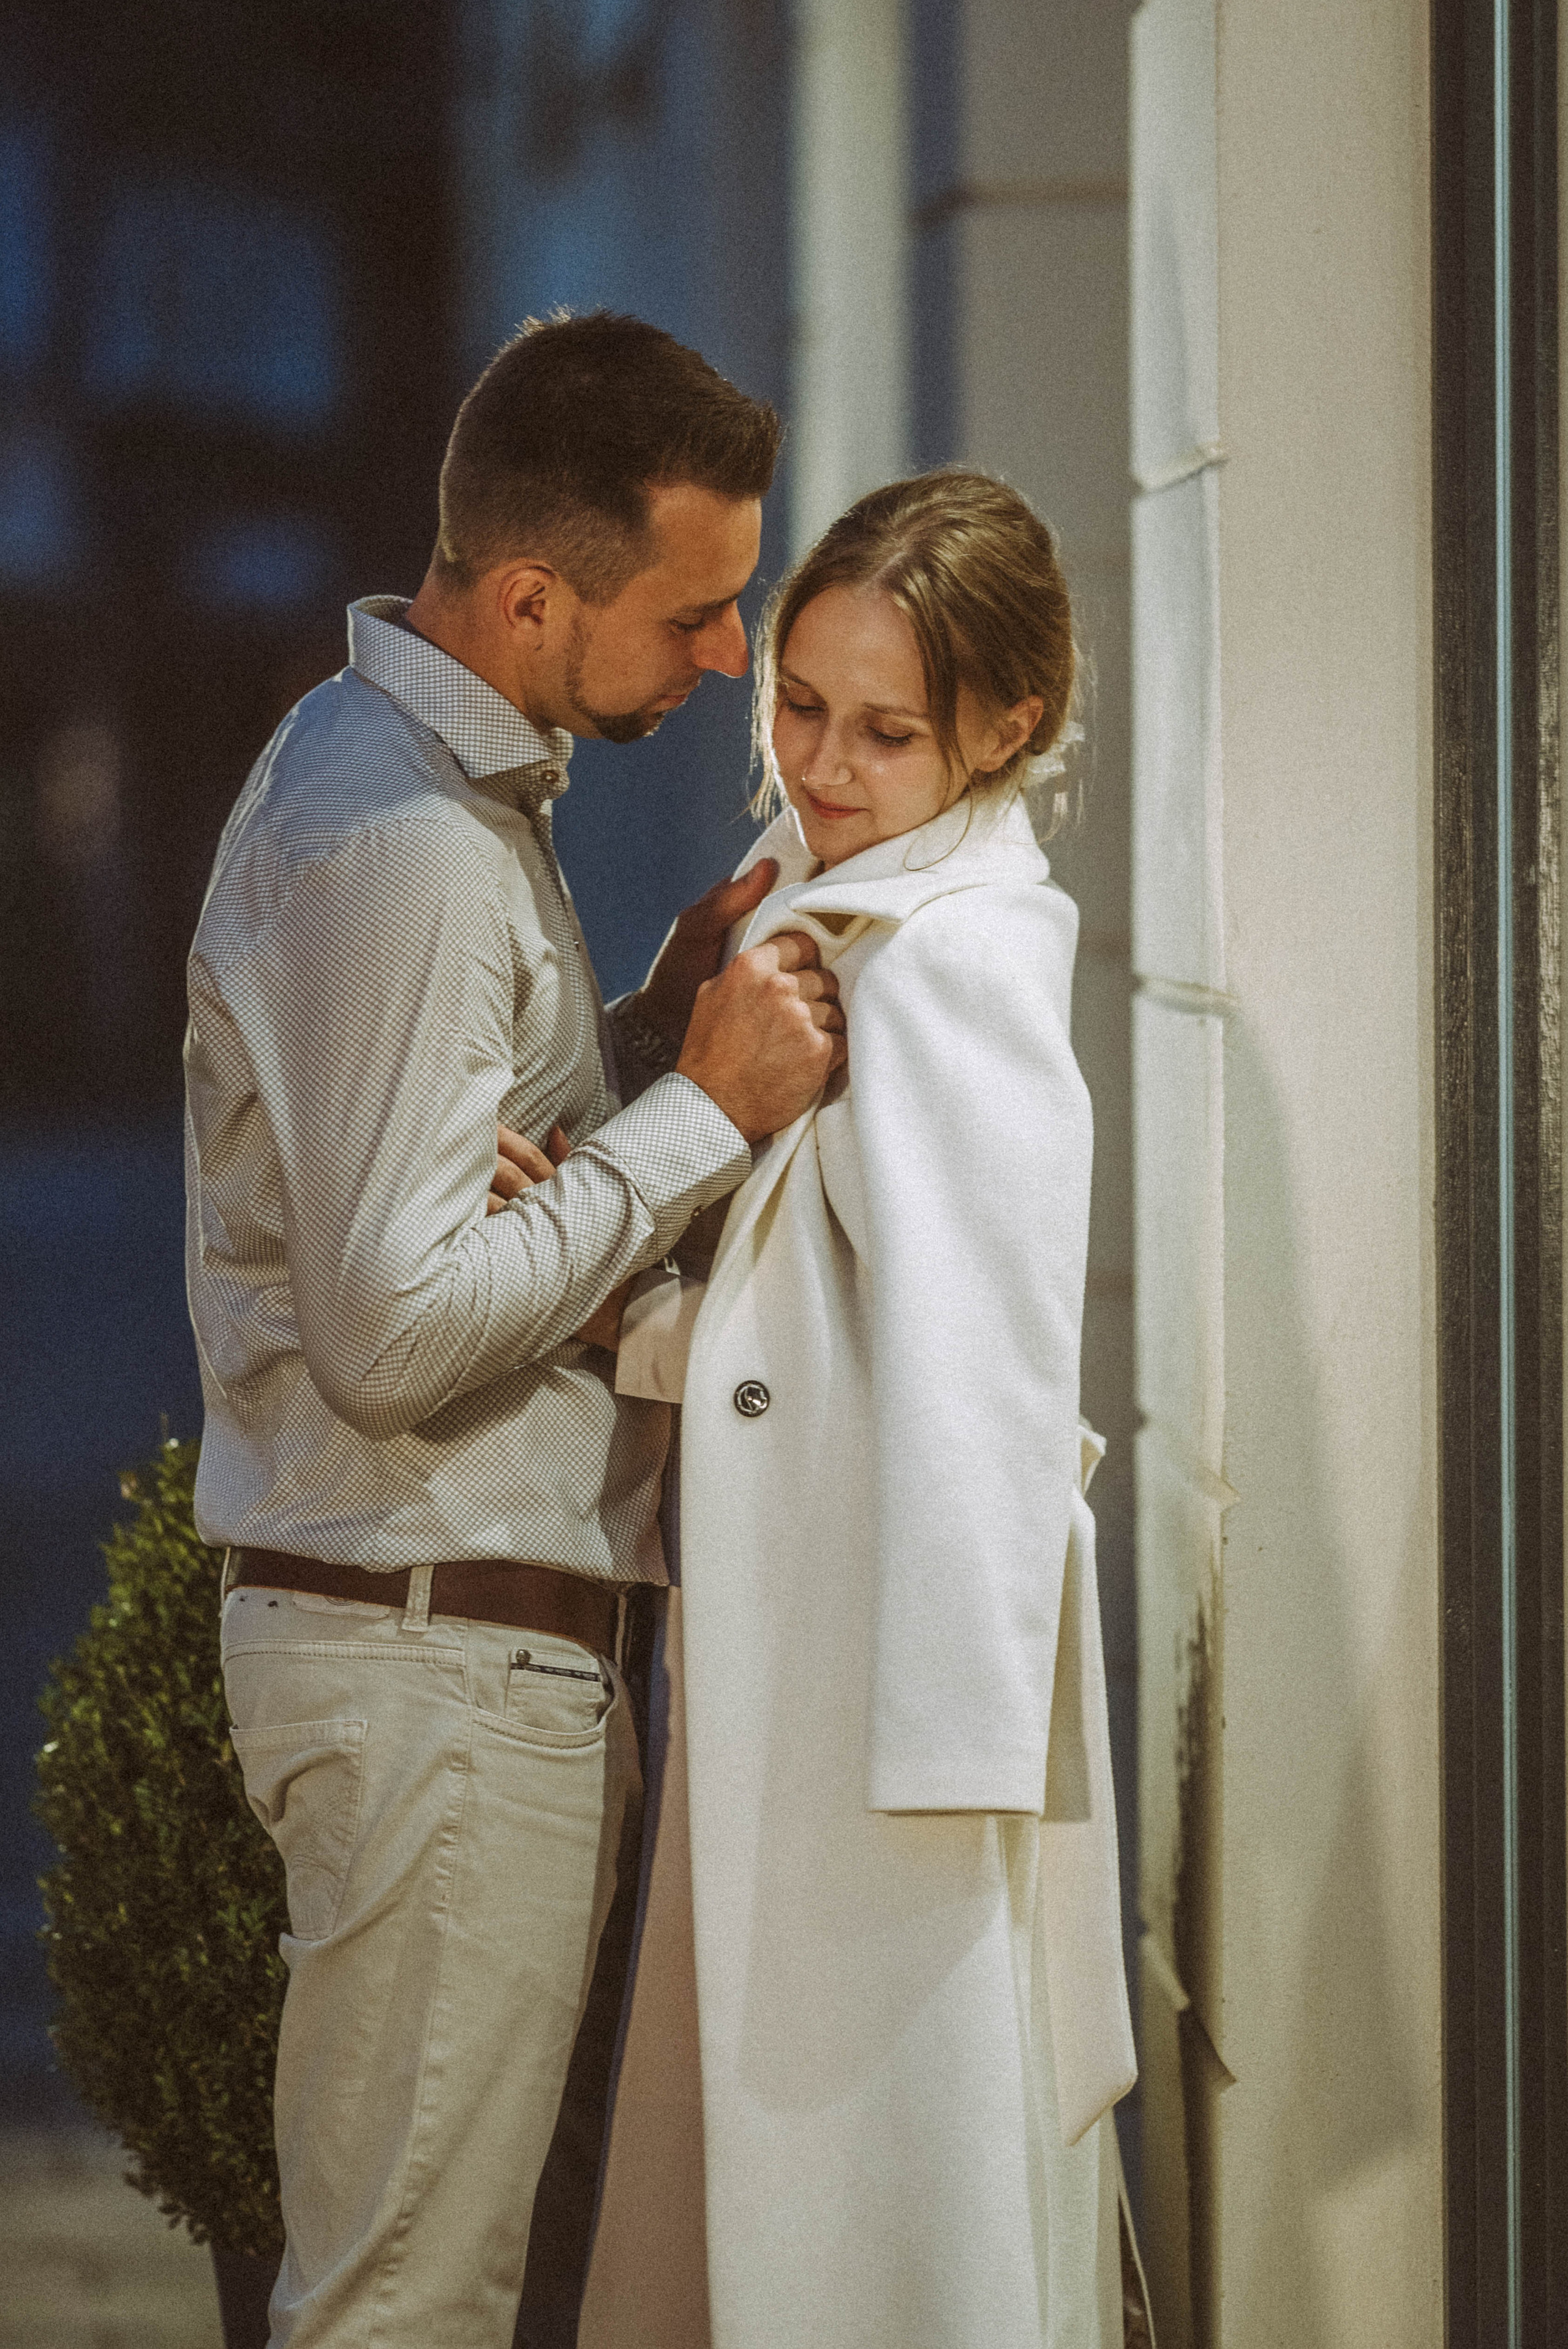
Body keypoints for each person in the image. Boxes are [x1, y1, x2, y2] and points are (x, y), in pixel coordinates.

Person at [183, 311, 845, 2349]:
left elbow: (450, 1187)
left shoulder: (425, 791)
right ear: (536, 594)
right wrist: (698, 1113)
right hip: (434, 1666)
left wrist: (637, 1033)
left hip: (443, 1659)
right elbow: (393, 1333)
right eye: (704, 612)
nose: (733, 659)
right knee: (408, 2314)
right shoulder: (407, 854)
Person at [584, 469, 1146, 2347]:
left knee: (883, 2233)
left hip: (889, 1732)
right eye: (799, 704)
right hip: (825, 1677)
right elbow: (803, 1328)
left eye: (886, 727)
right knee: (825, 2229)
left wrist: (957, 1778)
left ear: (1008, 726)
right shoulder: (841, 913)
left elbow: (982, 1375)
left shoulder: (948, 958)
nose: (823, 760)